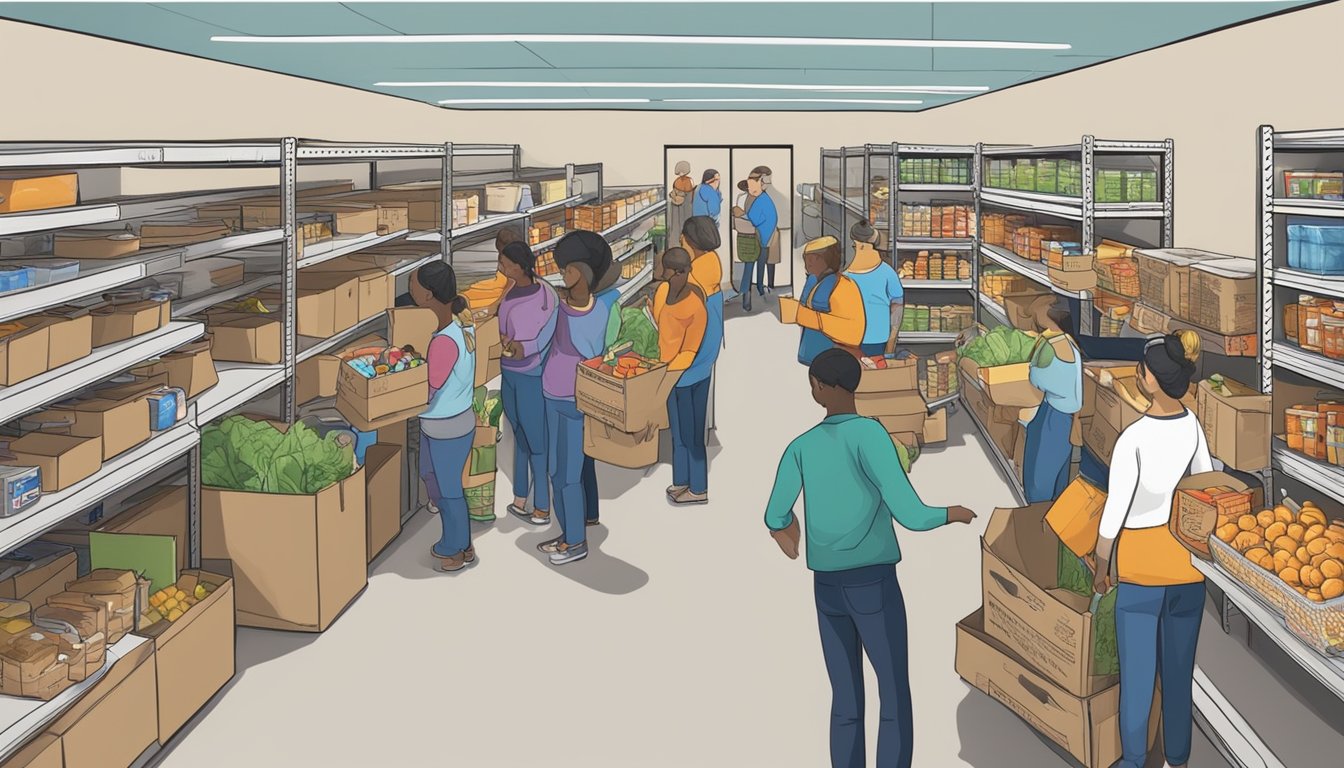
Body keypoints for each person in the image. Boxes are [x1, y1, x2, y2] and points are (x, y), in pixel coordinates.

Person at [764, 349, 976, 768]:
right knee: (893, 690)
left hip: (827, 587)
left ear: (822, 388)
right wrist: (951, 513)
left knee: (845, 698)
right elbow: (911, 515)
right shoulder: (872, 437)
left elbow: (774, 512)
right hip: (873, 584)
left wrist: (788, 531)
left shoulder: (801, 447)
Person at [1092, 331, 1209, 768]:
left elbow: (1113, 516)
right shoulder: (1193, 427)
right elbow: (1204, 487)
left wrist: (1102, 566)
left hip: (1141, 570)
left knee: (1138, 679)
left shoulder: (1133, 439)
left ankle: (1135, 760)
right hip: (1187, 567)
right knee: (1178, 675)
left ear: (1151, 381)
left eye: (1141, 370)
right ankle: (1178, 756)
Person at [539, 231, 613, 566]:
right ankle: (567, 531)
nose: (561, 275)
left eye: (566, 270)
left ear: (581, 273)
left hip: (574, 401)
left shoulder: (593, 313)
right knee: (558, 471)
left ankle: (576, 542)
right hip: (552, 394)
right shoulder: (566, 306)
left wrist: (558, 311)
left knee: (567, 475)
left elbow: (589, 350)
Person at [409, 262, 479, 573]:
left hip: (447, 426)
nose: (410, 289)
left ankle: (458, 547)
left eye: (413, 284)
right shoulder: (462, 324)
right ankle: (459, 538)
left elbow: (429, 389)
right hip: (446, 421)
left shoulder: (444, 341)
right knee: (429, 474)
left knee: (450, 491)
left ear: (427, 294)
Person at [497, 241, 559, 527]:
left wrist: (527, 347)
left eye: (505, 262)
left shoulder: (546, 295)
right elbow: (503, 329)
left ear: (520, 266)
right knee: (519, 435)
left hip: (532, 374)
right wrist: (505, 343)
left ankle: (543, 506)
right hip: (510, 373)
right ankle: (520, 497)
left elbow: (548, 333)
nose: (500, 266)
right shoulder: (508, 293)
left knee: (536, 441)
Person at [652, 248, 711, 505]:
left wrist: (668, 375)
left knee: (692, 434)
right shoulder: (665, 292)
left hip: (687, 378)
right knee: (678, 433)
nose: (662, 274)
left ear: (680, 272)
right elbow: (661, 322)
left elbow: (689, 349)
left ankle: (698, 488)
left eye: (666, 269)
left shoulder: (695, 305)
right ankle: (681, 481)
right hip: (670, 374)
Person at [1022, 297, 1083, 504]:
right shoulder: (1071, 343)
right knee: (1060, 471)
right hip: (1070, 413)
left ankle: (1036, 514)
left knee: (1039, 472)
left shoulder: (1049, 344)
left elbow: (1036, 378)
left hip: (1052, 414)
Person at [581, 255, 625, 529]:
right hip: (601, 372)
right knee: (588, 451)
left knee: (581, 453)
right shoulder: (615, 300)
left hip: (586, 374)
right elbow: (612, 340)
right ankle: (591, 511)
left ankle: (586, 511)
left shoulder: (595, 305)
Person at [796, 236, 865, 365]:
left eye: (814, 258)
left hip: (833, 359)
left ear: (827, 260)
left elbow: (854, 331)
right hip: (810, 356)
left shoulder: (845, 286)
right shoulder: (812, 280)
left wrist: (812, 319)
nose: (808, 263)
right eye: (806, 258)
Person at [843, 219, 904, 357]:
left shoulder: (846, 277)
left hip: (865, 341)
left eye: (855, 246)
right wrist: (890, 347)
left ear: (863, 246)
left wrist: (889, 347)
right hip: (868, 340)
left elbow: (896, 311)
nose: (854, 248)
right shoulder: (888, 273)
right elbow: (896, 312)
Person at [731, 167, 780, 303]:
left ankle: (751, 291)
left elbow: (755, 219)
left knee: (753, 264)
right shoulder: (755, 197)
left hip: (762, 238)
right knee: (757, 264)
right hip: (762, 237)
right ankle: (756, 289)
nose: (751, 188)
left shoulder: (761, 200)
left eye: (754, 184)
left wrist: (740, 214)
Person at [732, 180, 763, 312]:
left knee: (746, 265)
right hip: (751, 234)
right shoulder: (754, 200)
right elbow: (755, 218)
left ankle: (745, 294)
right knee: (749, 265)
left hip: (741, 234)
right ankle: (746, 296)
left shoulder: (740, 198)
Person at [761, 171, 791, 294]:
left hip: (767, 231)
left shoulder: (764, 197)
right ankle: (770, 285)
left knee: (765, 260)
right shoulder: (780, 197)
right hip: (773, 231)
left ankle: (766, 285)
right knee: (770, 262)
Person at [667, 160, 696, 249]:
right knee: (678, 226)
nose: (680, 173)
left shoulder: (688, 181)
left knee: (682, 226)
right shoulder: (679, 181)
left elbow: (690, 195)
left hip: (684, 207)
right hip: (679, 207)